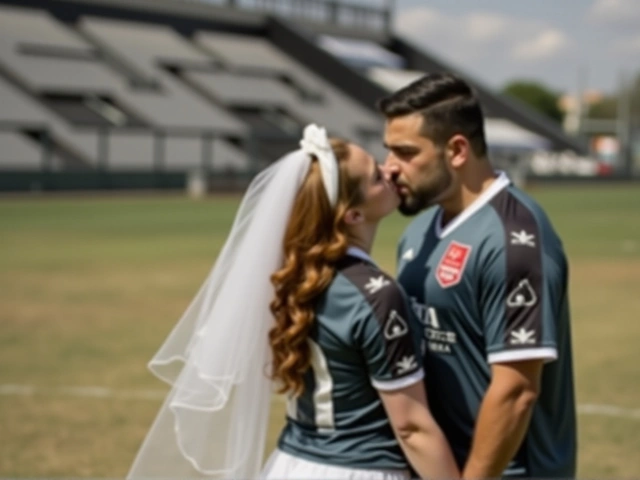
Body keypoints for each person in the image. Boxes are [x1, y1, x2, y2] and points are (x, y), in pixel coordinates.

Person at [127, 124, 459, 480]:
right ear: (353, 215)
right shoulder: (375, 294)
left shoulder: (288, 279)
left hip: (291, 465)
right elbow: (411, 427)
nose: (390, 171)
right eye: (376, 176)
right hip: (361, 469)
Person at [377, 73, 577, 479]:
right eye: (388, 151)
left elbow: (517, 392)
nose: (390, 168)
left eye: (405, 152)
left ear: (456, 150)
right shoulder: (419, 229)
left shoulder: (514, 240)